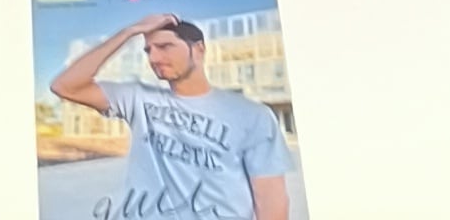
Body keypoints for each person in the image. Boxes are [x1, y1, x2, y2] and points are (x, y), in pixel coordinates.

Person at [48, 16, 294, 220]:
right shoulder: (140, 100)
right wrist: (129, 32)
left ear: (198, 50)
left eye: (165, 47)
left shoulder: (251, 115)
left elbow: (270, 201)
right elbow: (65, 86)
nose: (154, 58)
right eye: (148, 50)